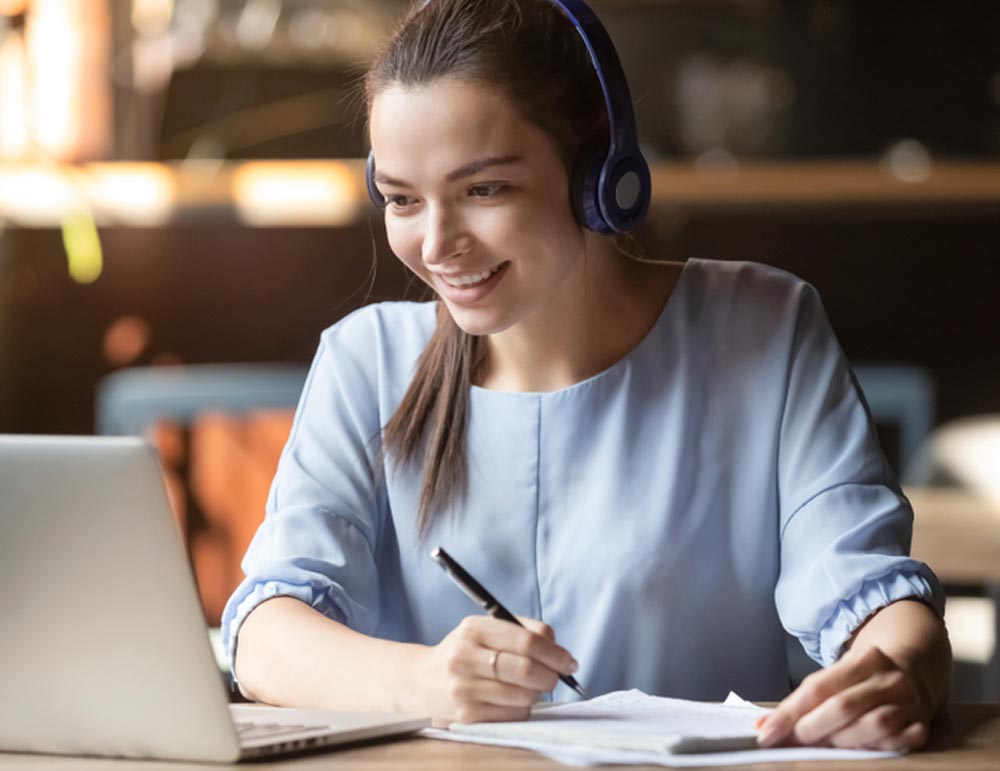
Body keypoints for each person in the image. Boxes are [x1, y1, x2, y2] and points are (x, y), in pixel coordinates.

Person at [221, 0, 952, 750]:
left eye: (483, 190)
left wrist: (901, 668)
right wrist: (427, 681)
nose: (436, 244)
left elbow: (865, 588)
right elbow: (264, 635)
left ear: (599, 175)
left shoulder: (765, 327)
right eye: (403, 199)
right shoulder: (365, 359)